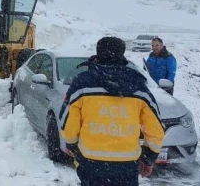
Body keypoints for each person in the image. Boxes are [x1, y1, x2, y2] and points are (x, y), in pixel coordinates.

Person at [59, 36, 165, 186]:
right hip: (126, 165)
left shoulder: (82, 83)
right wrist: (148, 159)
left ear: (98, 52)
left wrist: (71, 145)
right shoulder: (138, 86)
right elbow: (155, 130)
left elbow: (68, 123)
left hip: (91, 162)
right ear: (122, 54)